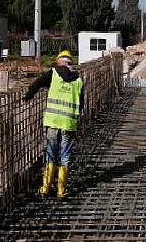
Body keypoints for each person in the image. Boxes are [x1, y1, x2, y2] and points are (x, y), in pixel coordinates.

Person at [23, 50, 84, 199]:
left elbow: (37, 84)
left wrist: (28, 96)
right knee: (65, 156)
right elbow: (81, 104)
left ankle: (45, 189)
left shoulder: (53, 73)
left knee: (51, 154)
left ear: (58, 62)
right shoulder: (78, 80)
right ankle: (61, 191)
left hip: (52, 122)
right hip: (68, 123)